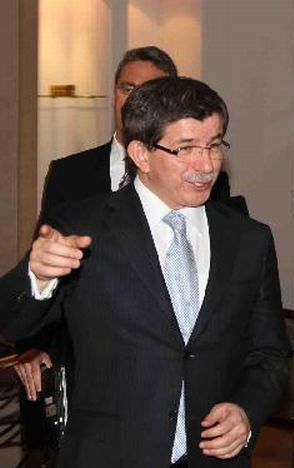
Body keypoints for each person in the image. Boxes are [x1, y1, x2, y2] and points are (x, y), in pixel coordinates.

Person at [1, 76, 290, 467]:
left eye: (214, 145)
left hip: (213, 457)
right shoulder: (83, 227)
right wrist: (36, 276)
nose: (206, 165)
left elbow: (270, 353)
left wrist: (246, 410)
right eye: (185, 149)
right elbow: (13, 324)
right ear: (141, 154)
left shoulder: (249, 239)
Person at [13, 46, 245, 404]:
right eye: (128, 88)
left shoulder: (207, 184)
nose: (203, 165)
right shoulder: (70, 174)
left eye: (151, 90)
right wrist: (35, 346)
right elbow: (46, 268)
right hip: (88, 375)